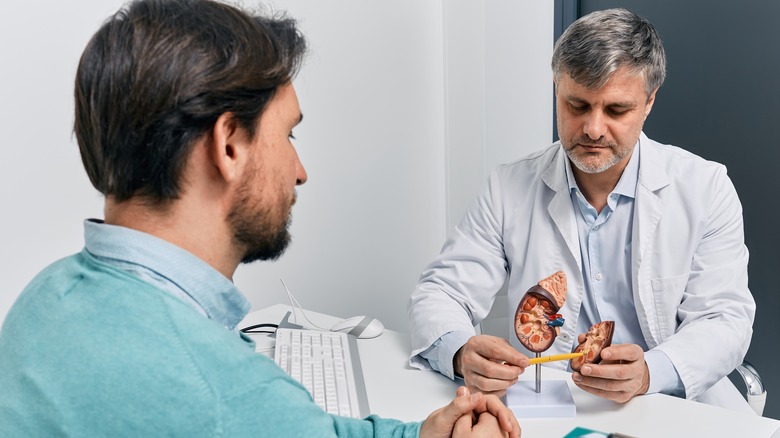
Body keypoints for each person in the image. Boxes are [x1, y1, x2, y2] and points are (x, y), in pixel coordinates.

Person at [0, 1, 521, 436]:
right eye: (288, 135)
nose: (299, 172)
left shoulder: (45, 298)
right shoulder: (214, 388)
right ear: (229, 146)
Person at [408, 8, 755, 412]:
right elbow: (441, 292)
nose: (592, 128)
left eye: (616, 110)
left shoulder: (705, 188)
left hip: (672, 402)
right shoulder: (508, 187)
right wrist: (460, 351)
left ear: (649, 102)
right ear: (556, 88)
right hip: (550, 404)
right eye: (577, 105)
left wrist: (650, 372)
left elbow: (724, 319)